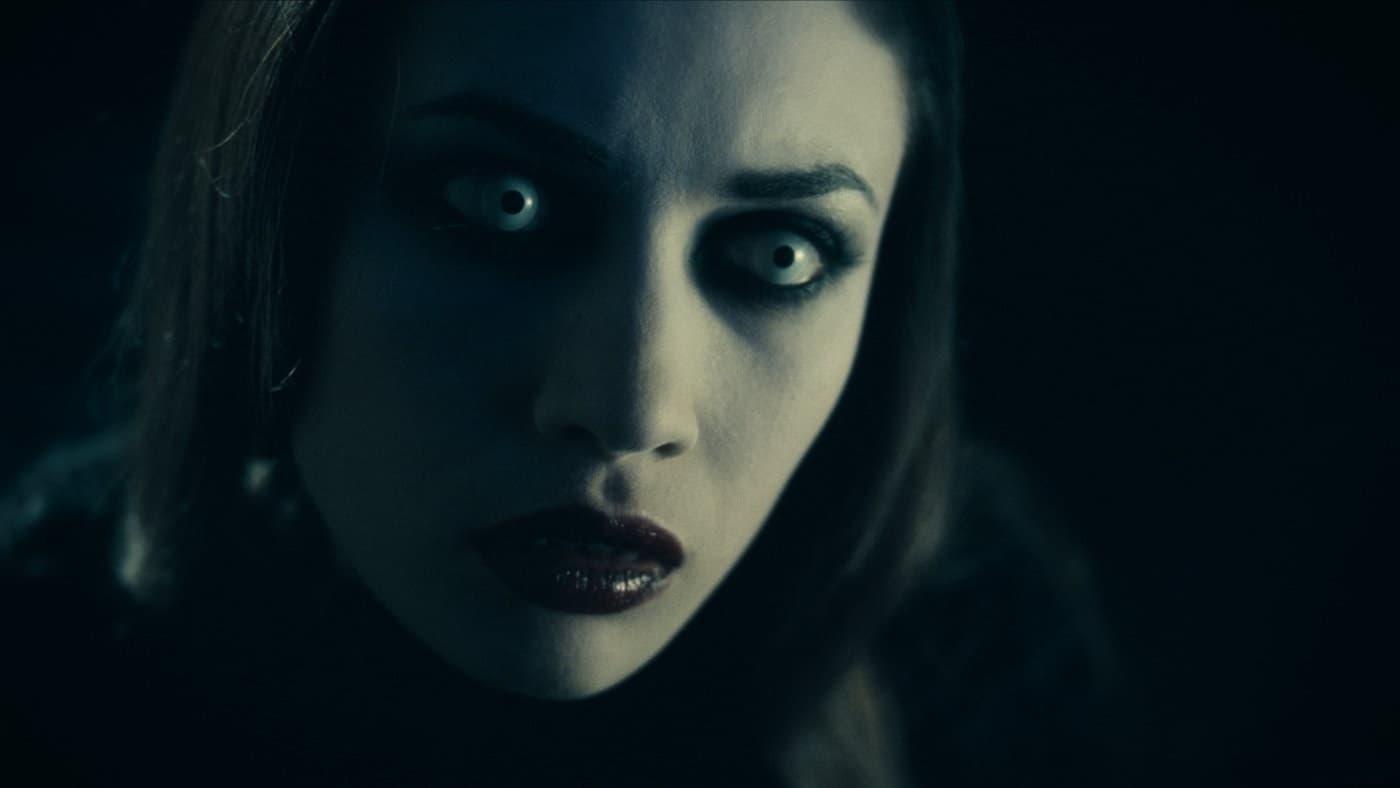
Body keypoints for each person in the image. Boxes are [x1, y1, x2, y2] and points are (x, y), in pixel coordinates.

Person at [1, 2, 1114, 786]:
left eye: (778, 255)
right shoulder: (46, 654)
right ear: (270, 215)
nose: (629, 410)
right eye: (505, 203)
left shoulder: (965, 640)